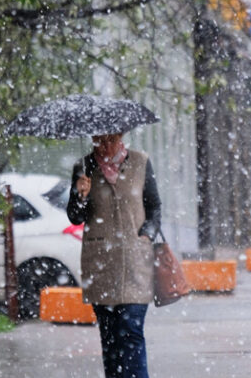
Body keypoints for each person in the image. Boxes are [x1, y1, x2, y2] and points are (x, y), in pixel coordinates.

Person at [67, 132, 161, 378]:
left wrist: (147, 234)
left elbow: (154, 207)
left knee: (131, 331)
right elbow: (75, 217)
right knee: (109, 339)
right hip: (101, 263)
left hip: (135, 261)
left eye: (111, 139)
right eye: (100, 140)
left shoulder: (141, 162)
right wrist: (80, 196)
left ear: (121, 137)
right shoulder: (84, 166)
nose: (105, 146)